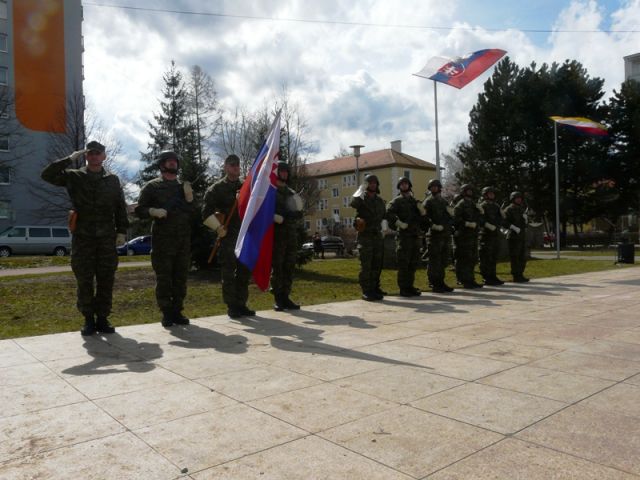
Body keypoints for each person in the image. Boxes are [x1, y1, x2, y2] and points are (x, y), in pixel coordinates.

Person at [41, 141, 128, 335]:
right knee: (84, 280)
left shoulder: (112, 180)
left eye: (98, 153)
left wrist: (122, 231)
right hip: (83, 238)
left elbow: (120, 207)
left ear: (104, 156)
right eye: (90, 153)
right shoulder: (75, 176)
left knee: (106, 279)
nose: (94, 156)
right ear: (86, 156)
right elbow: (47, 175)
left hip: (106, 238)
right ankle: (88, 319)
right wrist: (69, 159)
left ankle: (103, 318)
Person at [135, 150, 194, 327]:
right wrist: (152, 211)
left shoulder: (183, 186)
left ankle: (177, 311)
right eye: (169, 161)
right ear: (162, 165)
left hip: (182, 241)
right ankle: (167, 312)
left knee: (180, 278)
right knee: (164, 278)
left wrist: (190, 198)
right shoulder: (152, 187)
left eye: (175, 161)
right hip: (163, 241)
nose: (173, 163)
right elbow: (139, 210)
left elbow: (193, 212)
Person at [202, 154, 255, 319]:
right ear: (225, 167)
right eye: (232, 165)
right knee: (228, 273)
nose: (236, 167)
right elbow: (205, 213)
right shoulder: (216, 189)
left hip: (245, 236)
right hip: (227, 237)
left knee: (244, 271)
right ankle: (232, 306)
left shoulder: (247, 186)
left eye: (237, 164)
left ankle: (242, 304)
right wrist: (218, 228)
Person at [271, 161, 304, 311]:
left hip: (290, 235)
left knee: (289, 266)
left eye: (286, 171)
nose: (284, 173)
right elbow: (263, 211)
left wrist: (295, 213)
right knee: (278, 267)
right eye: (282, 171)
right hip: (277, 235)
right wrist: (274, 217)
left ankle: (286, 296)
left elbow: (299, 211)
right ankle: (278, 298)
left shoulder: (291, 192)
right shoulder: (271, 191)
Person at [351, 174, 388, 301]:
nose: (373, 185)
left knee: (377, 264)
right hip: (365, 237)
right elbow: (353, 203)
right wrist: (360, 190)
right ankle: (366, 290)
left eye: (374, 183)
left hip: (377, 236)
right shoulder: (361, 198)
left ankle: (375, 288)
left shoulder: (380, 201)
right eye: (370, 183)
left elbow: (384, 217)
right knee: (366, 265)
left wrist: (384, 229)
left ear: (377, 185)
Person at [386, 177, 426, 296]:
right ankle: (403, 288)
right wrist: (399, 223)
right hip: (404, 236)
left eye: (406, 184)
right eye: (402, 184)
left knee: (413, 263)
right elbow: (388, 213)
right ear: (399, 186)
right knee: (404, 263)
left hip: (415, 235)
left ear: (409, 186)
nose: (404, 186)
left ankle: (410, 286)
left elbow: (422, 216)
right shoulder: (397, 201)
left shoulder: (414, 201)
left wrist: (422, 211)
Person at [423, 179, 454, 293]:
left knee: (443, 260)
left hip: (445, 234)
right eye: (432, 187)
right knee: (434, 260)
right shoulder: (428, 202)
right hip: (434, 235)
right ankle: (434, 283)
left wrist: (449, 224)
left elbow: (451, 215)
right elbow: (424, 217)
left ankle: (441, 282)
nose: (434, 188)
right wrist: (433, 225)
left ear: (439, 187)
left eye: (436, 186)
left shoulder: (444, 202)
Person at [453, 184, 483, 289]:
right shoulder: (461, 204)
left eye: (471, 190)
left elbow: (479, 218)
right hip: (464, 235)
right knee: (464, 258)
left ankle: (471, 279)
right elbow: (455, 219)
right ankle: (464, 280)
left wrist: (480, 212)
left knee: (473, 258)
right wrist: (466, 223)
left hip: (473, 235)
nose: (470, 192)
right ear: (463, 192)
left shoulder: (473, 204)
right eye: (468, 190)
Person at [478, 186, 505, 286]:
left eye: (493, 193)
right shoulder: (482, 206)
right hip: (486, 235)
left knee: (494, 257)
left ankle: (493, 276)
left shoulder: (496, 206)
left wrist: (500, 222)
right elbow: (480, 219)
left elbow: (501, 218)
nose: (492, 195)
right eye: (490, 193)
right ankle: (486, 277)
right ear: (485, 195)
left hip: (495, 234)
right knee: (486, 257)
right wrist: (487, 225)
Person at [503, 191, 530, 282]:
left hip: (521, 236)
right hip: (513, 236)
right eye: (517, 198)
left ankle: (520, 274)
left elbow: (525, 225)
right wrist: (513, 227)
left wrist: (526, 220)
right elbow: (504, 222)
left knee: (522, 257)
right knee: (515, 257)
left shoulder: (521, 209)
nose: (519, 200)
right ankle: (516, 275)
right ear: (513, 199)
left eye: (520, 198)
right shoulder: (509, 209)